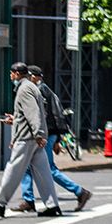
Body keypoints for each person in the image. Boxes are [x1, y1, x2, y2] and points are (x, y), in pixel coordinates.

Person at [0, 64, 61, 219]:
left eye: (11, 73)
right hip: (32, 138)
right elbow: (30, 114)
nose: (10, 76)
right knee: (43, 173)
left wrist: (38, 134)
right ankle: (52, 205)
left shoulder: (24, 89)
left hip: (28, 138)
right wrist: (16, 121)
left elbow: (32, 113)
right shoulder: (31, 87)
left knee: (13, 169)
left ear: (16, 74)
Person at [19, 66, 93, 215]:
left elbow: (41, 116)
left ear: (33, 77)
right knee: (26, 167)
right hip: (49, 134)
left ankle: (80, 192)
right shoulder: (46, 90)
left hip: (45, 134)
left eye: (28, 76)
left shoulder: (39, 91)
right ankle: (28, 200)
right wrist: (56, 139)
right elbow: (55, 115)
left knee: (49, 169)